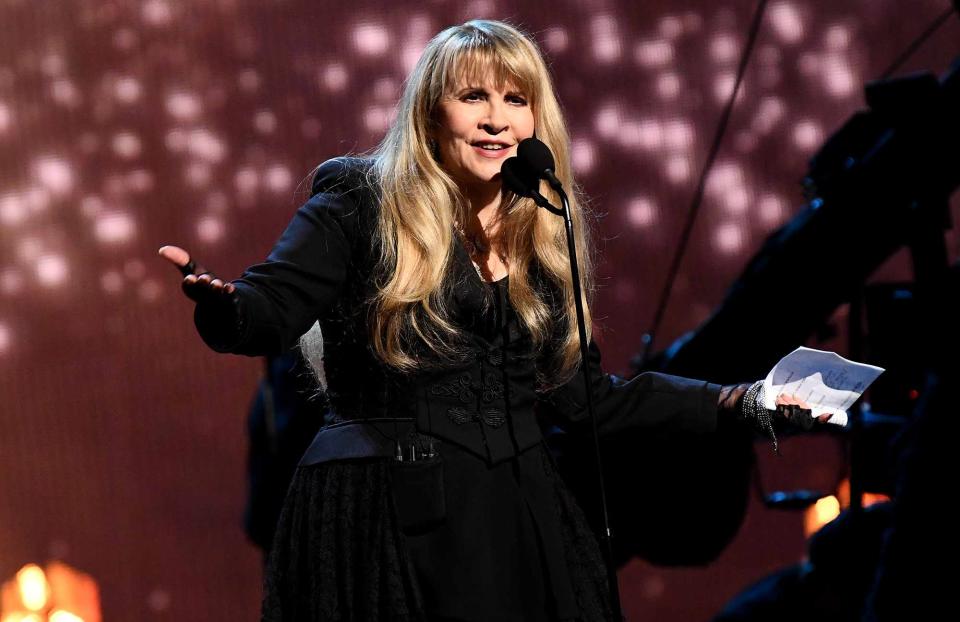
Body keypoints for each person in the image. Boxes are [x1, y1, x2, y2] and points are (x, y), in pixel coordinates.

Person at [159, 20, 828, 622]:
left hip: (514, 520)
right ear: (431, 113)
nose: (496, 119)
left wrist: (744, 403)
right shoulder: (359, 207)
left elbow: (592, 402)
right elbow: (269, 308)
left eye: (515, 99)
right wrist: (227, 306)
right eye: (473, 96)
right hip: (387, 514)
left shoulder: (540, 240)